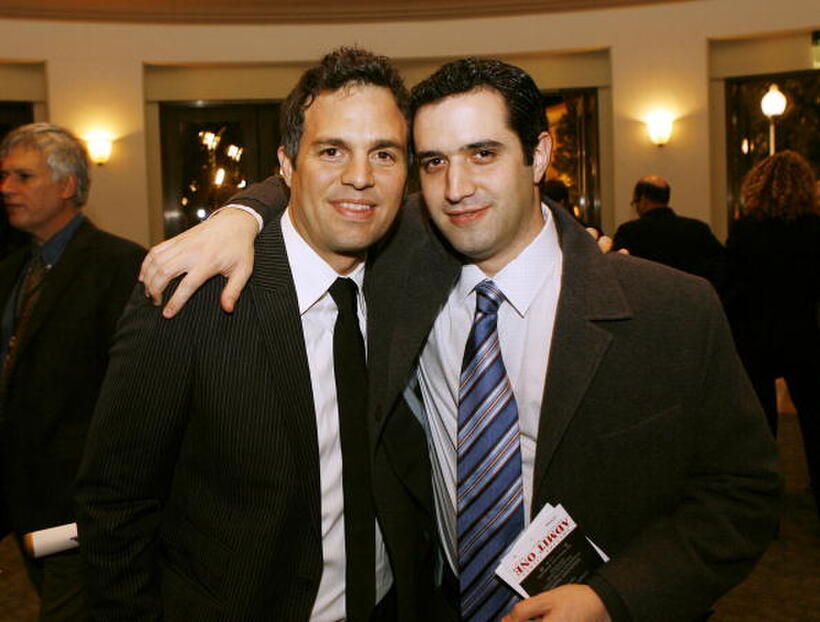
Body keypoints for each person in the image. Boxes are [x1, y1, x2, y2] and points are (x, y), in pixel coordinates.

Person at [140, 57, 781, 622]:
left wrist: (614, 600)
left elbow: (741, 499)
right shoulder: (399, 264)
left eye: (484, 153)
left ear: (537, 155)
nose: (456, 188)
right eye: (434, 162)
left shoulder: (670, 310)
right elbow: (327, 181)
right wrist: (240, 214)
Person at [75, 48, 438, 621]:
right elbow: (116, 504)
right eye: (331, 150)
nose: (361, 177)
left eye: (384, 154)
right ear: (287, 166)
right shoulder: (193, 294)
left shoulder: (416, 274)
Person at [0, 123, 145, 621]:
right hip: (24, 504)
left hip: (83, 507)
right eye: (4, 176)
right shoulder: (12, 271)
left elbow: (132, 395)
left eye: (22, 176)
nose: (6, 188)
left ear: (66, 186)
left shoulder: (120, 266)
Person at [722, 150, 819, 516]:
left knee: (761, 426)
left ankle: (765, 506)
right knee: (814, 419)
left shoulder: (747, 228)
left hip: (755, 335)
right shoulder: (814, 229)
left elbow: (729, 286)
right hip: (802, 333)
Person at [613, 176, 724, 282]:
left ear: (643, 200)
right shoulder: (698, 229)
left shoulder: (628, 232)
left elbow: (619, 270)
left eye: (635, 202)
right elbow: (720, 266)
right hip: (690, 297)